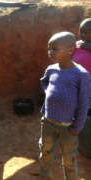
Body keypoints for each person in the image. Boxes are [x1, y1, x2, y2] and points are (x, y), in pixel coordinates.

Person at [39, 31, 91, 180]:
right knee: (45, 152)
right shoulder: (51, 69)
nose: (50, 52)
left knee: (69, 159)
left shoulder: (81, 75)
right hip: (48, 122)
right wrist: (49, 93)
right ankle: (44, 176)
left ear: (70, 50)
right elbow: (44, 81)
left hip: (68, 127)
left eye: (55, 49)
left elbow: (84, 104)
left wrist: (77, 127)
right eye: (49, 48)